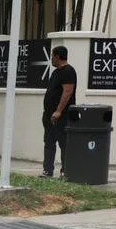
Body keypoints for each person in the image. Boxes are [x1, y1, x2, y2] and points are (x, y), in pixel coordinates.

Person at [42, 46, 77, 178]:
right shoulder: (56, 72)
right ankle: (47, 170)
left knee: (64, 143)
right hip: (48, 114)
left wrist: (58, 111)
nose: (51, 58)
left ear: (58, 56)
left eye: (52, 56)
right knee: (49, 142)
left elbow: (67, 92)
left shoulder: (68, 71)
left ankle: (65, 171)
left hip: (61, 115)